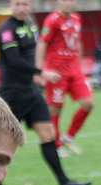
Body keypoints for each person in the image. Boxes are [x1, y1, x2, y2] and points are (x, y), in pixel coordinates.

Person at [0, 0, 90, 185]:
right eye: (18, 4)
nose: (21, 8)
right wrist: (41, 72)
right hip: (13, 92)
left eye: (25, 4)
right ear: (11, 5)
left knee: (48, 134)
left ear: (31, 6)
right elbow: (14, 60)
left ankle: (64, 182)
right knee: (6, 140)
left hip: (31, 90)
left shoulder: (30, 24)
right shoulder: (6, 29)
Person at [35, 0, 95, 156]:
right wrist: (40, 70)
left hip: (75, 71)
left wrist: (80, 66)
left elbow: (78, 42)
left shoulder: (76, 18)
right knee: (56, 108)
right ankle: (56, 146)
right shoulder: (52, 20)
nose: (68, 3)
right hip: (57, 71)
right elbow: (42, 43)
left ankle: (68, 138)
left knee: (88, 103)